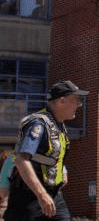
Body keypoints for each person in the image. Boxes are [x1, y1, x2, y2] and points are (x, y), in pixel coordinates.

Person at [4, 79, 88, 221]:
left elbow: (52, 156)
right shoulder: (38, 124)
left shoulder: (60, 127)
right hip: (29, 199)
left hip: (55, 195)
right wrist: (42, 195)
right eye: (76, 100)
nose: (79, 105)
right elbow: (21, 159)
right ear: (62, 101)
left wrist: (63, 172)